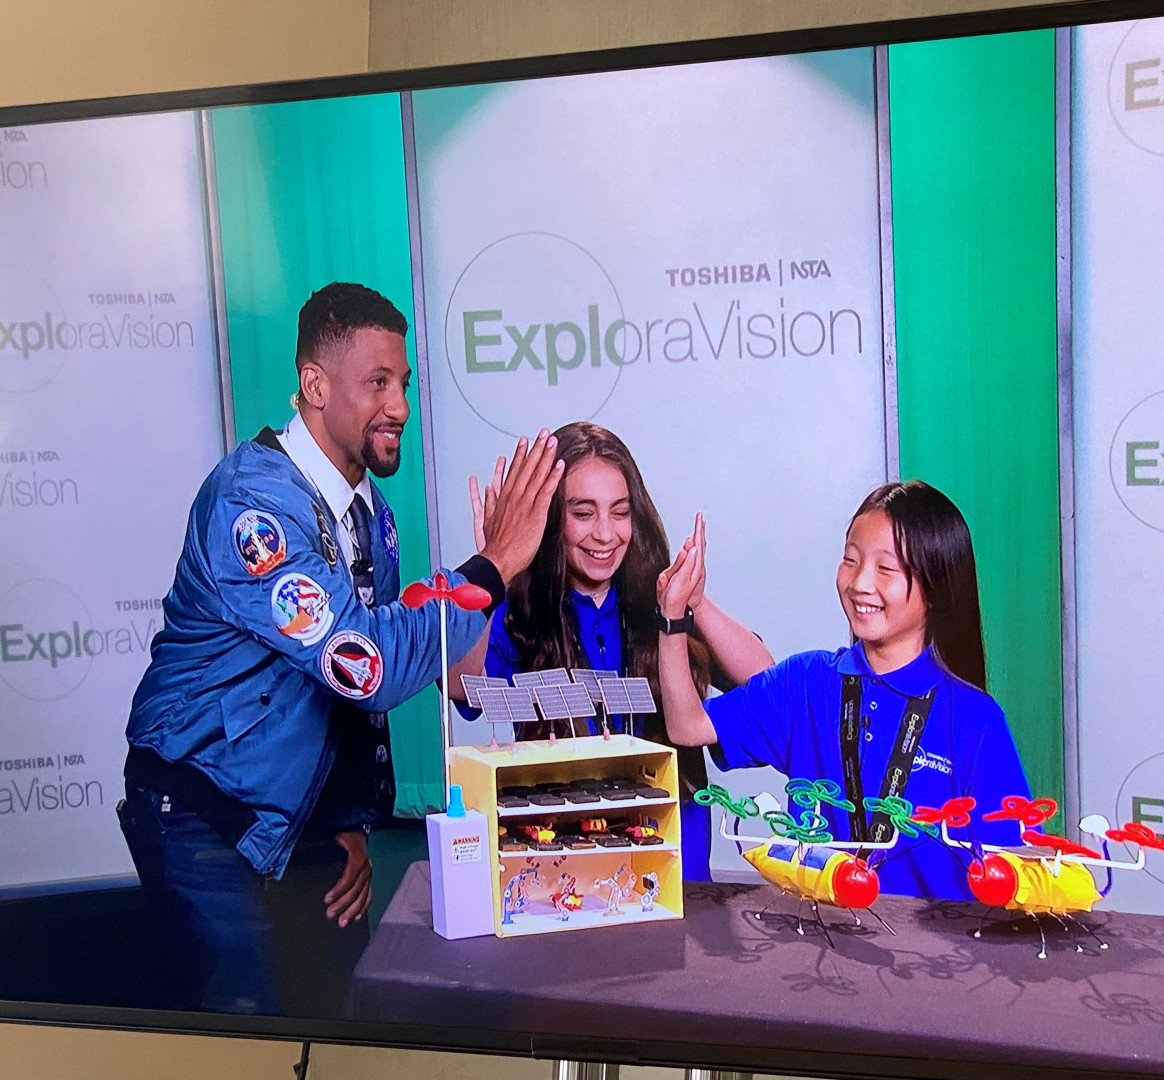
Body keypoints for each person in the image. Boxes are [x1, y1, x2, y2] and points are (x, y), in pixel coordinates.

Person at [120, 282, 563, 1016]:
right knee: (243, 1035)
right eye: (378, 382)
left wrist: (349, 823)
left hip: (298, 820)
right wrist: (491, 567)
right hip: (202, 812)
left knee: (332, 1020)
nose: (400, 407)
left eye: (404, 383)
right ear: (315, 385)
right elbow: (363, 664)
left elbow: (350, 702)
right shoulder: (253, 505)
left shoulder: (370, 515)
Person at [656, 480, 1030, 901]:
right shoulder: (807, 682)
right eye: (851, 560)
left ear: (934, 586)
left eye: (885, 568)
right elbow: (688, 726)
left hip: (935, 942)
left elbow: (1011, 868)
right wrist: (677, 615)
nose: (860, 582)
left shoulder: (975, 720)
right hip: (820, 934)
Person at [472, 421, 773, 881]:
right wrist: (492, 571)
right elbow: (460, 685)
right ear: (550, 520)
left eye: (620, 512)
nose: (605, 534)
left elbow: (765, 683)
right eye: (583, 513)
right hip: (568, 856)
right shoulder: (520, 610)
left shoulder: (662, 602)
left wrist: (691, 601)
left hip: (674, 857)